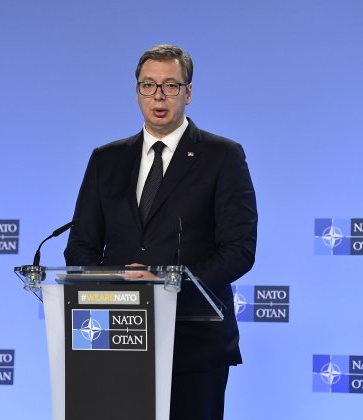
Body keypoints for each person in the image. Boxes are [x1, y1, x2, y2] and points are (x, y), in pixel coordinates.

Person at [65, 44, 258, 420]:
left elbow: (239, 249)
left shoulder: (222, 156)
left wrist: (169, 285)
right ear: (136, 91)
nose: (158, 95)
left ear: (188, 92)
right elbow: (80, 246)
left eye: (170, 85)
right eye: (148, 85)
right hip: (117, 337)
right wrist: (117, 285)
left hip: (194, 345)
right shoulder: (106, 159)